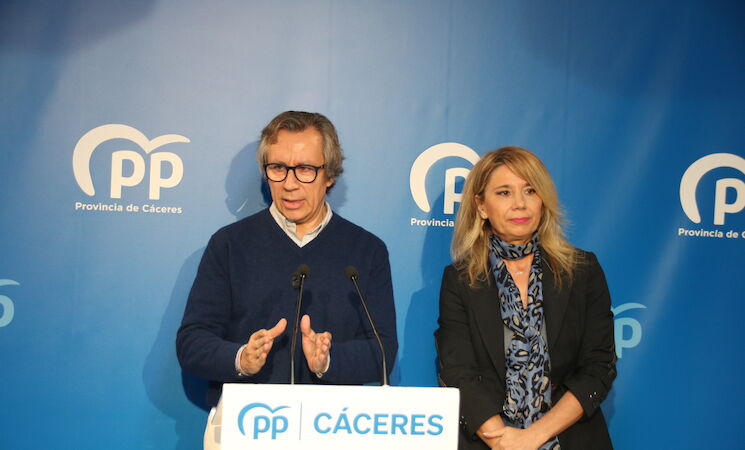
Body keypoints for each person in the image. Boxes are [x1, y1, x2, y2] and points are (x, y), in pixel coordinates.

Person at [177, 111, 397, 407]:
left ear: (329, 175)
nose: (289, 184)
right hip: (247, 419)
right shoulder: (229, 244)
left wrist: (328, 360)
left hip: (335, 421)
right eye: (278, 168)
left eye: (305, 169)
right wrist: (242, 358)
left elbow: (382, 350)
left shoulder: (367, 250)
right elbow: (192, 342)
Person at [435, 146, 616, 449]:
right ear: (481, 205)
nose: (520, 204)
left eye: (530, 190)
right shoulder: (460, 280)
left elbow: (598, 366)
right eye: (504, 193)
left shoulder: (583, 270)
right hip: (492, 442)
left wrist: (533, 437)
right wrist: (504, 443)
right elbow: (458, 372)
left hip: (571, 439)